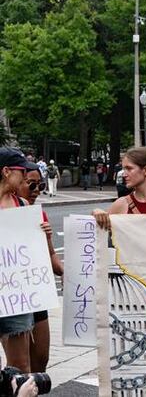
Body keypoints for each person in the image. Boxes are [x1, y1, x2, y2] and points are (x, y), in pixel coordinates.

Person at [0, 147, 44, 371]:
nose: (26, 178)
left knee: (21, 366)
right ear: (6, 171)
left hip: (15, 294)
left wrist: (40, 234)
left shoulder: (23, 205)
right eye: (21, 172)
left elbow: (31, 252)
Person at [17, 166, 63, 372]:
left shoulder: (39, 214)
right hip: (11, 298)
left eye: (41, 185)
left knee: (40, 360)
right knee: (20, 366)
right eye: (31, 184)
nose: (37, 190)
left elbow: (52, 257)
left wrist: (77, 274)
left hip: (35, 295)